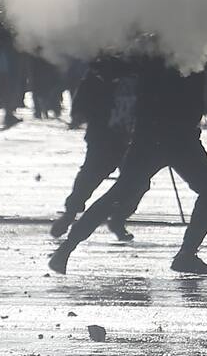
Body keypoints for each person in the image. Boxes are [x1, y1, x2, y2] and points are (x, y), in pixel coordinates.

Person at [48, 53, 207, 275]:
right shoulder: (156, 45)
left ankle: (66, 248)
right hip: (171, 136)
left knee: (119, 194)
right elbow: (108, 67)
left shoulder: (165, 43)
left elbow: (109, 67)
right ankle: (186, 255)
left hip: (160, 136)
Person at [50, 55, 143, 241]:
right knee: (90, 177)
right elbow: (83, 100)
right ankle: (69, 215)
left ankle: (118, 218)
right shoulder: (100, 72)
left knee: (138, 183)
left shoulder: (143, 72)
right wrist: (80, 113)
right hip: (104, 136)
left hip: (134, 137)